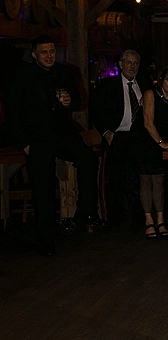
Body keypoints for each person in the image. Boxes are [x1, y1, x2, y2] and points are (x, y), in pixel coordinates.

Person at [6, 35, 101, 255]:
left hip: (62, 133)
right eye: (44, 52)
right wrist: (23, 144)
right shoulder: (22, 76)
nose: (49, 56)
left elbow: (79, 101)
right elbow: (13, 112)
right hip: (37, 138)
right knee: (43, 188)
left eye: (51, 51)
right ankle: (46, 240)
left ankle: (83, 213)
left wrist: (70, 102)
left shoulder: (64, 72)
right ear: (34, 54)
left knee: (88, 159)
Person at [93, 49, 146, 227]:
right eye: (129, 62)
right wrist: (106, 132)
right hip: (117, 135)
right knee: (116, 176)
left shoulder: (145, 85)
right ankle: (115, 217)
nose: (132, 66)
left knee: (142, 174)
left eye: (135, 63)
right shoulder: (108, 85)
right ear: (121, 64)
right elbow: (96, 111)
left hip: (140, 136)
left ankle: (142, 216)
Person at [137, 65, 168, 238]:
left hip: (166, 139)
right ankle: (148, 220)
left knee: (160, 180)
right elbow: (148, 122)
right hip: (146, 139)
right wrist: (161, 143)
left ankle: (161, 219)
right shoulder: (150, 94)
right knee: (146, 180)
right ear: (161, 80)